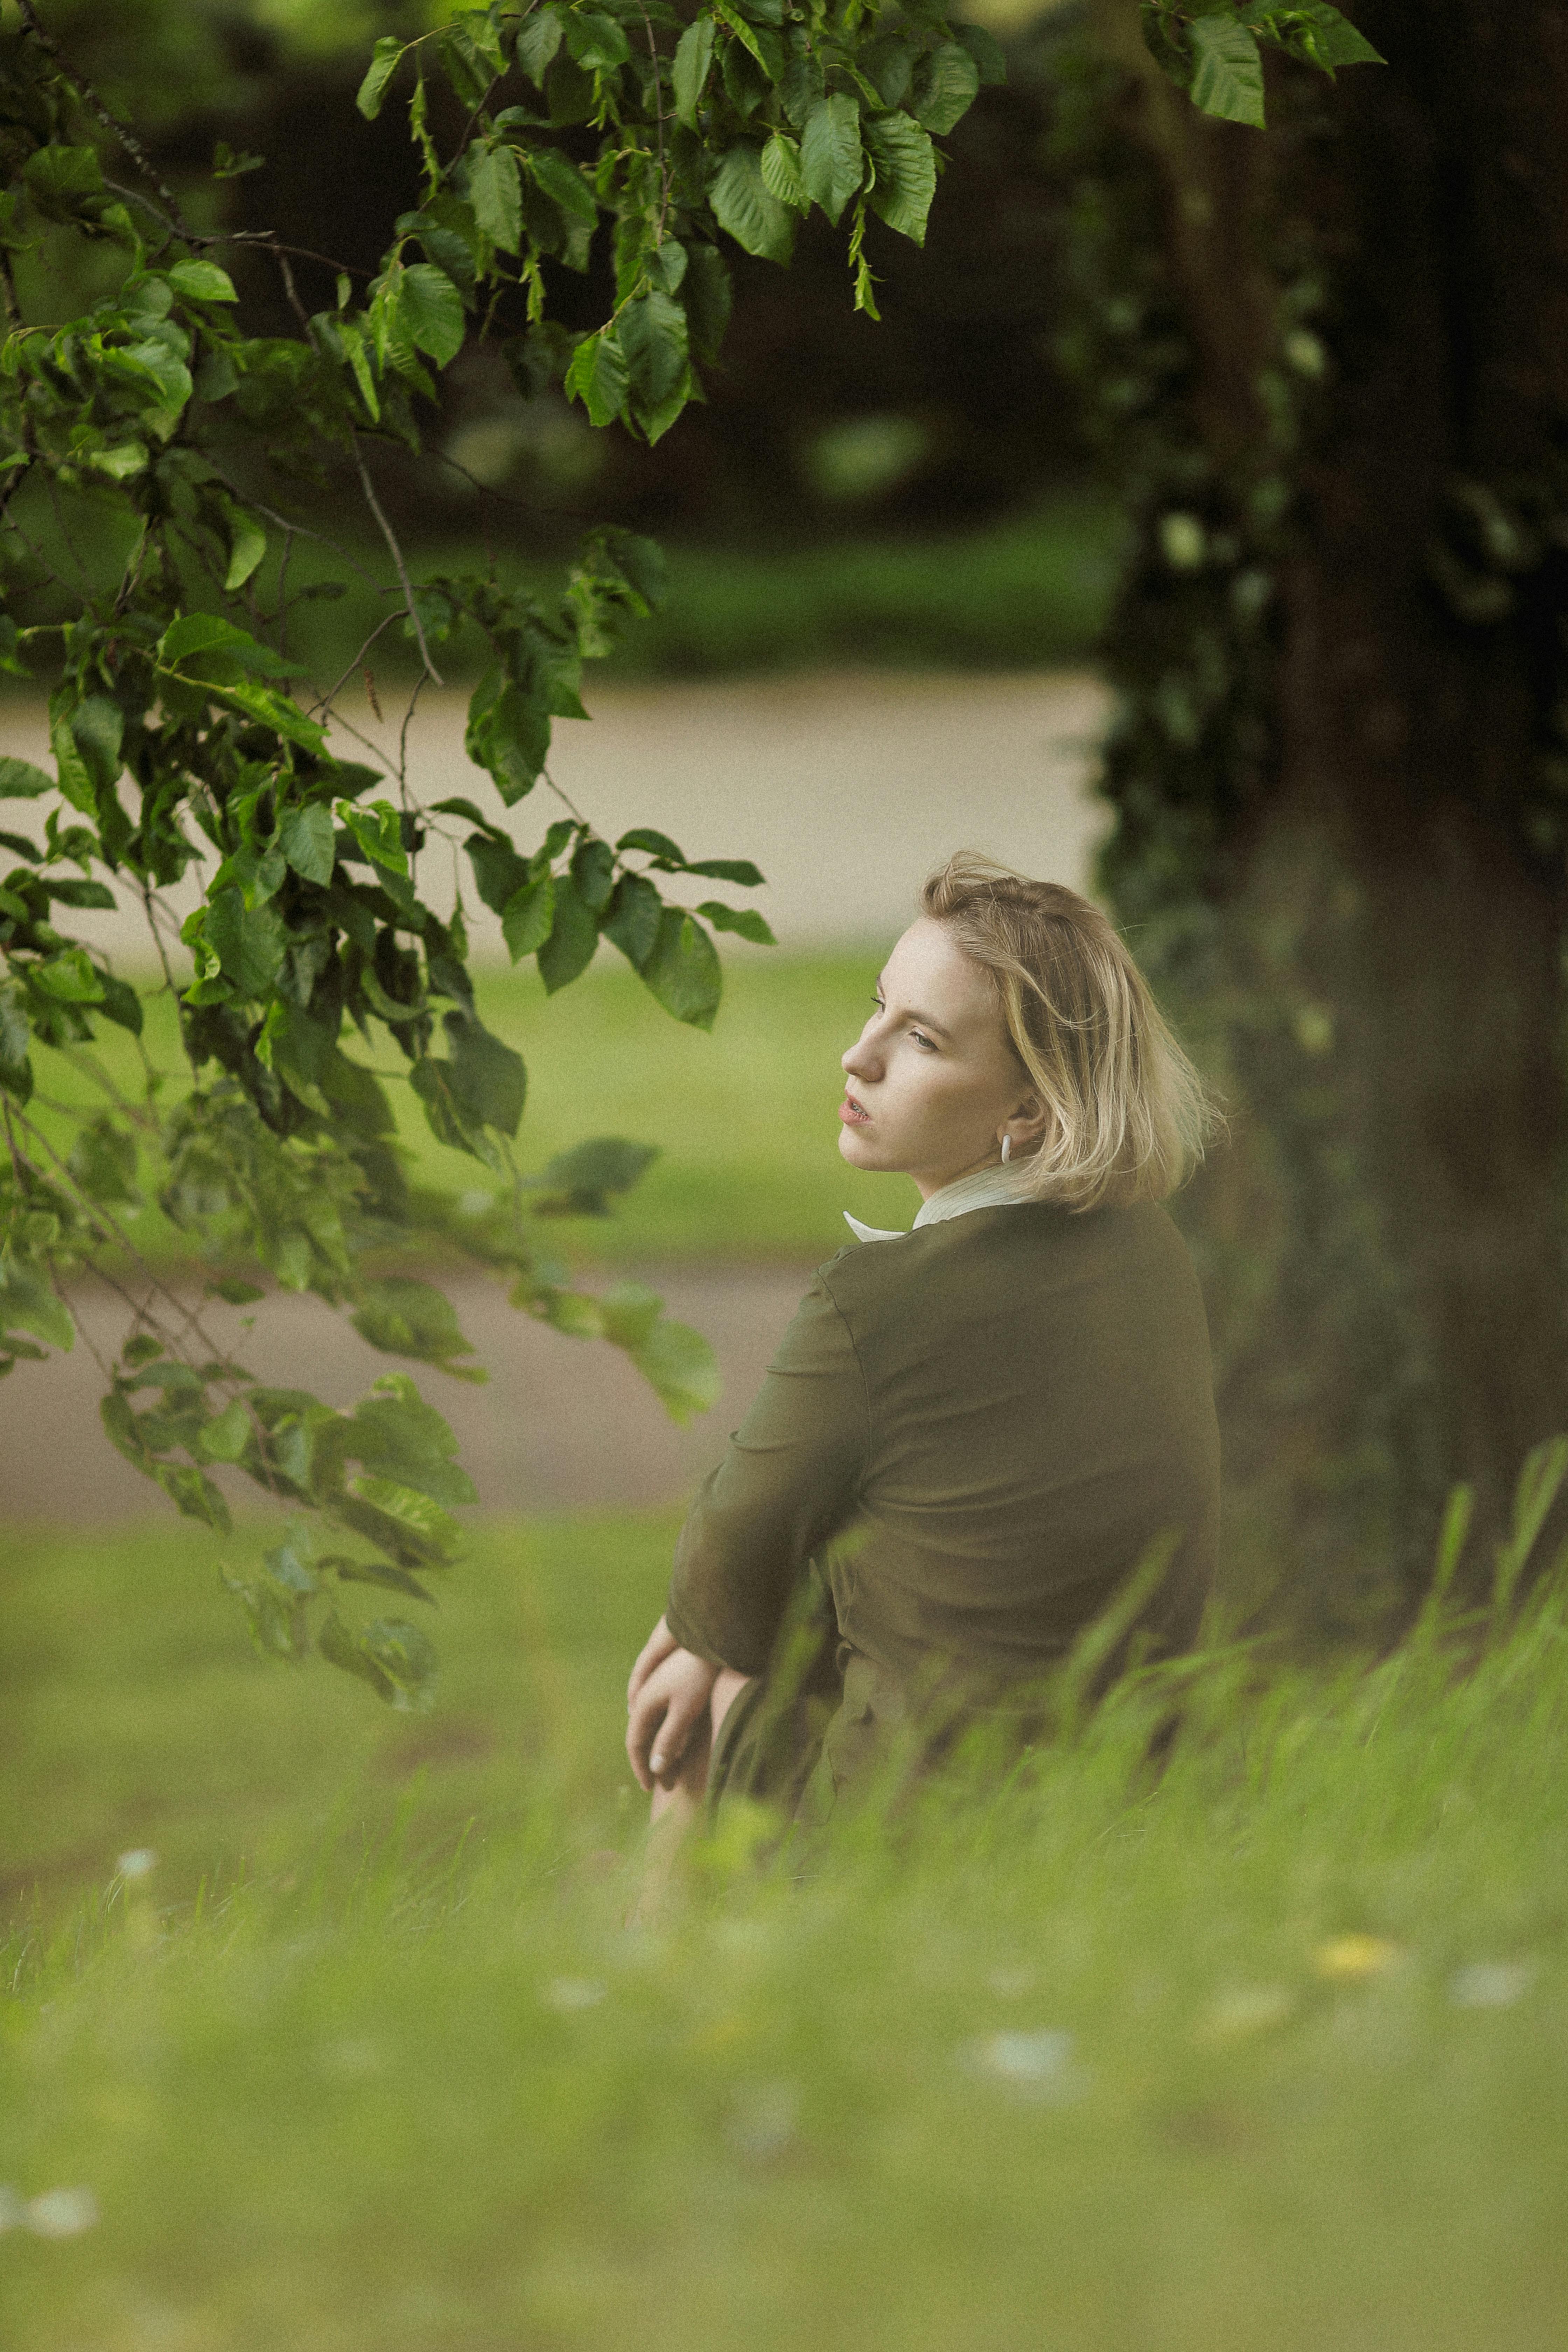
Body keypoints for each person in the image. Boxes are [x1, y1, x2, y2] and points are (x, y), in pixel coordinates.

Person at [625, 851, 1222, 1831]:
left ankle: (660, 1978)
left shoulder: (879, 1306)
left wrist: (701, 1640)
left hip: (916, 1840)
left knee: (707, 1704)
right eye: (876, 1010)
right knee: (788, 1620)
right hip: (1121, 1809)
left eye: (925, 1042)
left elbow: (736, 1543)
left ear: (1029, 1109)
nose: (859, 1060)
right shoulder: (1149, 1249)